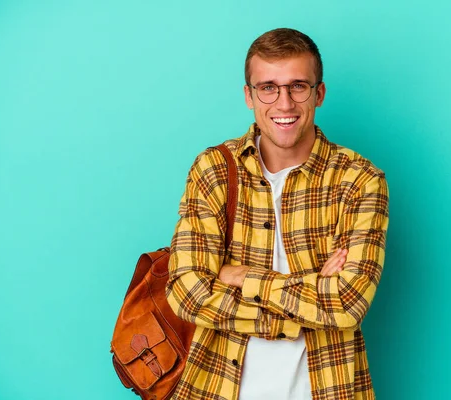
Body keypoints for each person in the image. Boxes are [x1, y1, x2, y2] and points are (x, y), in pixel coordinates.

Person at [166, 27, 389, 400]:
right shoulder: (215, 170)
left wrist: (242, 276)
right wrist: (313, 288)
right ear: (248, 96)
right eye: (268, 87)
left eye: (297, 86)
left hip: (327, 388)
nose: (283, 103)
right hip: (218, 388)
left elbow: (348, 304)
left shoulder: (360, 180)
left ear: (318, 94)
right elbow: (186, 292)